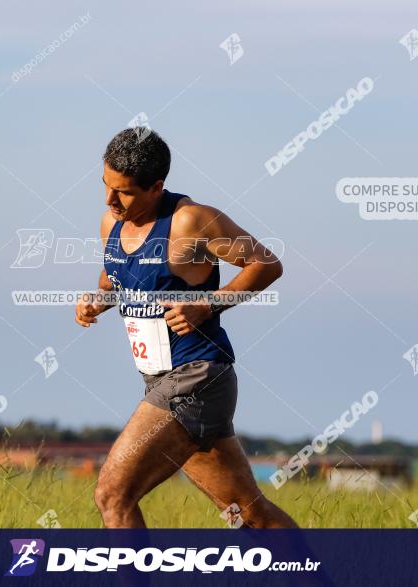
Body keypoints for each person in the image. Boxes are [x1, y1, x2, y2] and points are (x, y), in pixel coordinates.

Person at [75, 128, 296, 529]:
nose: (110, 200)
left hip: (196, 378)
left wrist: (209, 302)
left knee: (112, 495)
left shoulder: (191, 221)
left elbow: (266, 264)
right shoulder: (112, 221)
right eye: (105, 186)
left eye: (122, 192)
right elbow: (116, 277)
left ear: (157, 186)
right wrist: (97, 300)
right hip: (159, 382)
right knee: (247, 514)